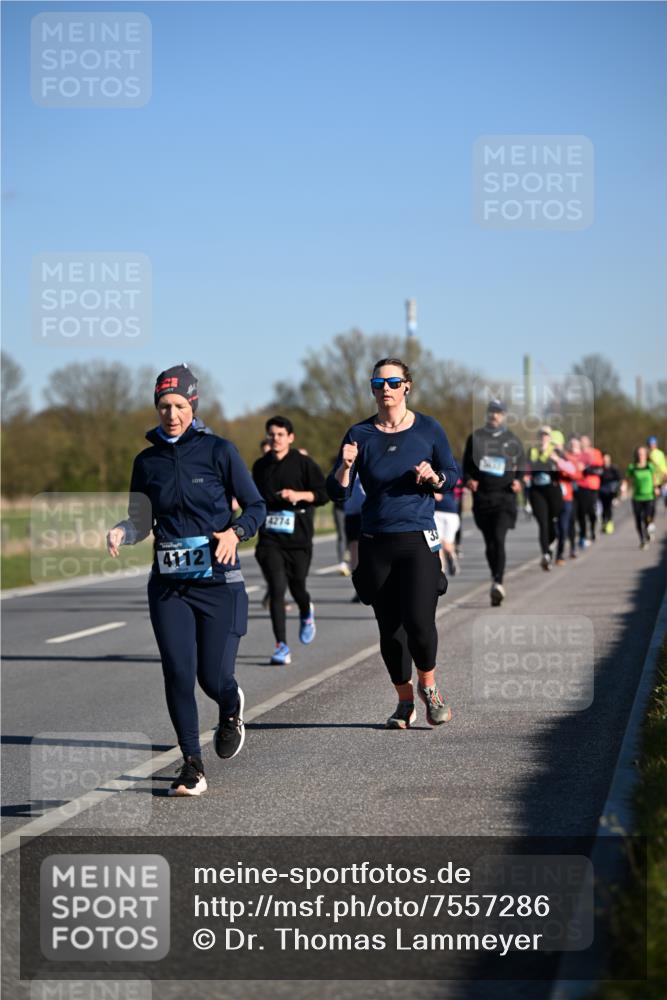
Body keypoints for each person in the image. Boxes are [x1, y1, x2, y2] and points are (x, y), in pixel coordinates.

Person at [106, 364, 266, 797]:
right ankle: (192, 764)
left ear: (193, 404)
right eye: (164, 406)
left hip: (218, 582)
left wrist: (235, 532)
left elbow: (256, 506)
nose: (171, 414)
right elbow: (141, 520)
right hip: (169, 586)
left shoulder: (219, 451)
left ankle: (230, 706)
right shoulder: (147, 462)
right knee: (178, 672)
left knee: (212, 678)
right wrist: (123, 530)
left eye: (179, 405)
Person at [327, 357, 459, 729]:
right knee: (390, 630)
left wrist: (434, 478)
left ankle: (429, 687)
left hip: (417, 537)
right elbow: (337, 492)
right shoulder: (359, 434)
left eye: (393, 382)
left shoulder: (428, 429)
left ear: (407, 387)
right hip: (376, 541)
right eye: (378, 383)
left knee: (419, 621)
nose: (385, 388)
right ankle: (404, 702)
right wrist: (345, 467)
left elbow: (452, 474)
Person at [252, 415, 328, 665]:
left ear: (290, 438)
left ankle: (306, 610)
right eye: (271, 434)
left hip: (299, 539)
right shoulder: (260, 466)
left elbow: (324, 494)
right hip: (270, 539)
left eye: (280, 435)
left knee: (297, 587)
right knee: (277, 588)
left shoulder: (303, 463)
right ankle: (281, 646)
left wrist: (299, 495)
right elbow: (252, 498)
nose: (275, 439)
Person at [462, 399, 524, 606]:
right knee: (489, 543)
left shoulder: (511, 439)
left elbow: (522, 463)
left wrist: (519, 481)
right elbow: (466, 466)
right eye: (491, 411)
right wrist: (469, 480)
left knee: (499, 537)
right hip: (483, 498)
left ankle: (498, 582)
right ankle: (494, 578)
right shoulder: (476, 438)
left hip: (505, 498)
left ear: (503, 415)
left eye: (498, 412)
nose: (494, 415)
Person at [524, 426, 568, 571]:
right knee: (542, 523)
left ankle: (551, 543)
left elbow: (568, 468)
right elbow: (527, 469)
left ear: (550, 437)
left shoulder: (556, 451)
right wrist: (524, 476)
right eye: (541, 435)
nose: (543, 437)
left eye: (546, 435)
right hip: (537, 491)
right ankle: (545, 554)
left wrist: (557, 460)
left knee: (552, 522)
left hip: (553, 490)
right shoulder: (532, 451)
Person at [624, 446, 658, 548]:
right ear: (636, 455)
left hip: (649, 496)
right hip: (637, 497)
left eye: (643, 454)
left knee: (647, 517)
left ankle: (648, 530)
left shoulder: (650, 466)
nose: (641, 456)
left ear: (646, 455)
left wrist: (656, 487)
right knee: (638, 519)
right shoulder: (632, 467)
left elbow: (654, 478)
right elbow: (627, 479)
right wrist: (624, 487)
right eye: (639, 454)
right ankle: (642, 540)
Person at [576, 434, 603, 547]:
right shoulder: (577, 454)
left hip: (593, 486)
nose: (582, 443)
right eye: (581, 441)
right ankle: (583, 534)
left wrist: (586, 469)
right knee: (581, 512)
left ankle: (593, 529)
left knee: (591, 511)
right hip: (580, 486)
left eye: (584, 441)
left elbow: (600, 469)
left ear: (589, 442)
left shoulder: (595, 453)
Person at [434, 476, 462, 576]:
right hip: (435, 513)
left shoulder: (452, 471)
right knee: (437, 546)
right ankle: (441, 571)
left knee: (446, 545)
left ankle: (451, 556)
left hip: (450, 513)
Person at [599, 452, 621, 534]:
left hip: (611, 492)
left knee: (609, 508)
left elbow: (619, 480)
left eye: (607, 458)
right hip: (602, 491)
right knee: (603, 508)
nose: (605, 460)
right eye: (604, 458)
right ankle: (604, 522)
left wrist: (617, 495)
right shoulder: (600, 469)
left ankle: (609, 523)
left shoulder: (614, 468)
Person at [647, 436, 667, 509]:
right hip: (656, 479)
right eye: (650, 444)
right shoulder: (658, 453)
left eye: (653, 444)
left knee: (653, 501)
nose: (651, 446)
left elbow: (660, 465)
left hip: (660, 479)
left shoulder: (653, 454)